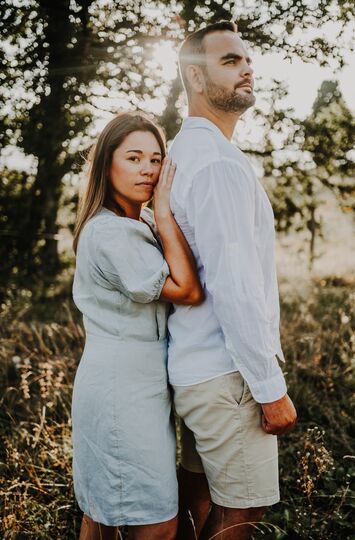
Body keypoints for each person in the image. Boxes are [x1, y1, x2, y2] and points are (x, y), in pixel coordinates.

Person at [167, 21, 297, 540]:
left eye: (247, 60)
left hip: (198, 369)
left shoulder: (185, 151)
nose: (246, 68)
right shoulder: (216, 163)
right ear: (195, 80)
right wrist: (269, 389)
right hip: (230, 376)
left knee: (201, 493)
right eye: (229, 61)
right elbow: (234, 284)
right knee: (243, 513)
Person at [71, 112, 203, 540]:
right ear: (106, 164)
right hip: (121, 391)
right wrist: (163, 209)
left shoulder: (132, 223)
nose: (148, 169)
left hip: (130, 384)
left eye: (156, 158)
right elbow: (187, 290)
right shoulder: (114, 233)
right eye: (133, 157)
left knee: (102, 515)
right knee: (157, 522)